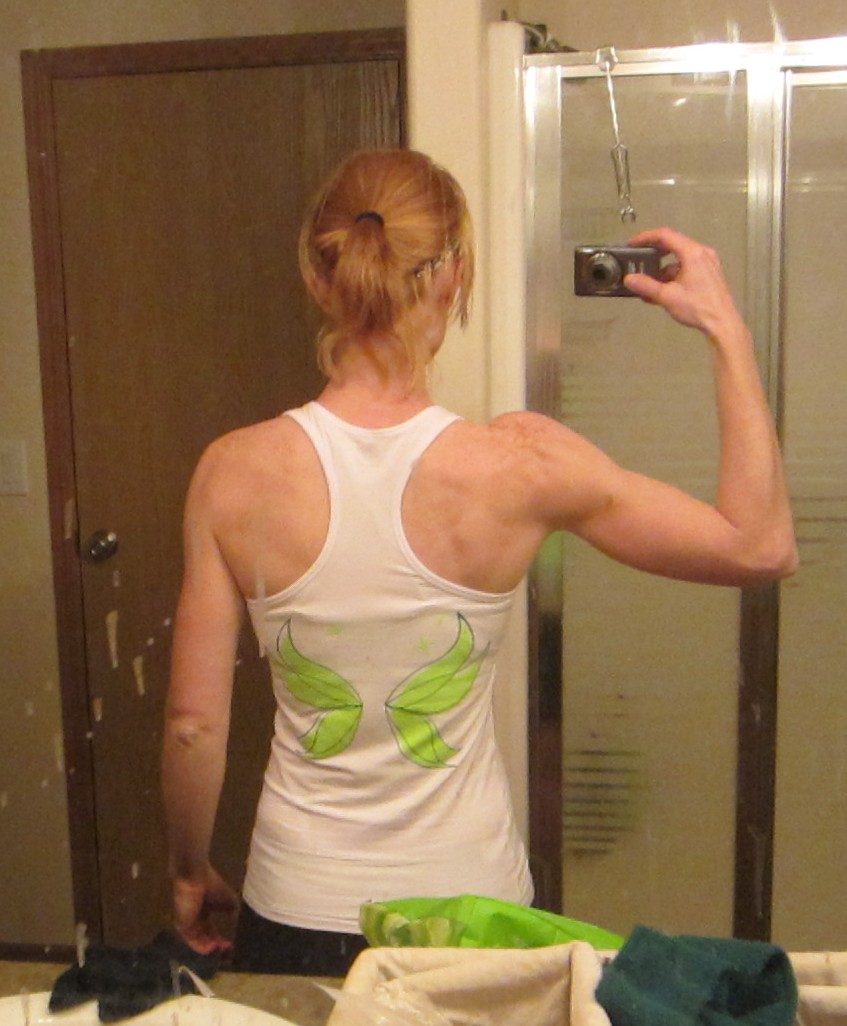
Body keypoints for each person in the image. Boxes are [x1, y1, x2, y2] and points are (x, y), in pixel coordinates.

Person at [161, 149, 797, 976]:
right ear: (453, 275)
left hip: (297, 904)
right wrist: (725, 330)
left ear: (319, 278)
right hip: (470, 910)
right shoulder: (519, 464)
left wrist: (189, 871)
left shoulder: (232, 471)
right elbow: (759, 544)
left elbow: (193, 724)